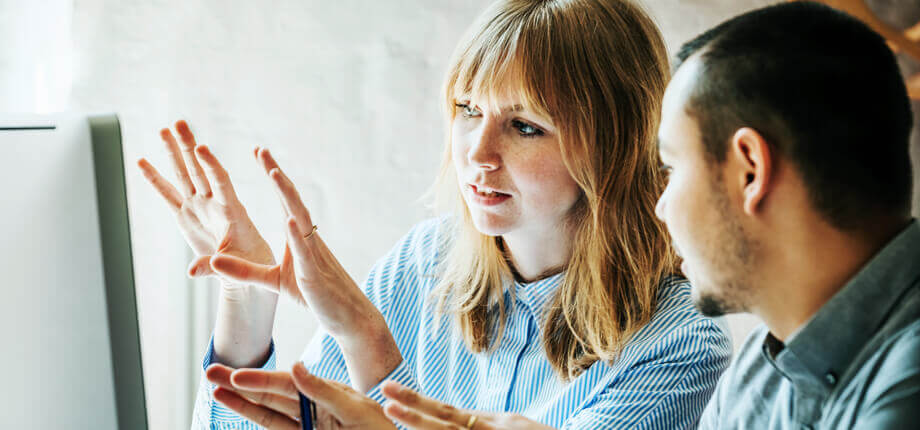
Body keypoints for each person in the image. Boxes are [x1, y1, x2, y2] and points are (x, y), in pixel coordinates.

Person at [137, 0, 732, 428]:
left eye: (525, 126)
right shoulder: (424, 262)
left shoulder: (679, 343)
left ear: (615, 146)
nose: (477, 152)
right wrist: (247, 302)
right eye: (468, 109)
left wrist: (367, 340)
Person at [654, 2, 919, 428]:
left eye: (671, 167)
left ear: (750, 170)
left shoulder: (905, 388)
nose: (661, 207)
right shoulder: (758, 367)